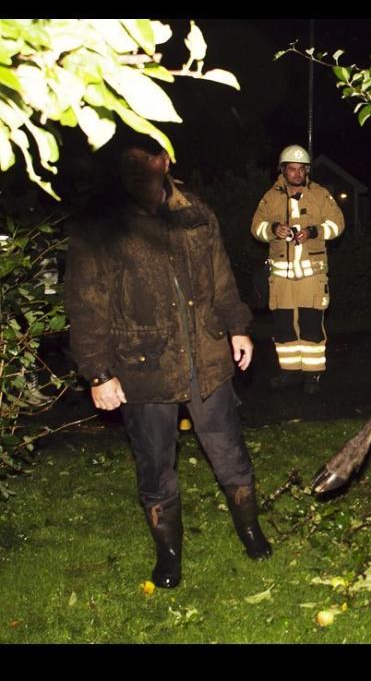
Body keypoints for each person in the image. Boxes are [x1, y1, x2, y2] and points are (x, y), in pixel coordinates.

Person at [64, 133, 271, 589]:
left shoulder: (196, 214)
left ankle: (251, 530)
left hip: (207, 358)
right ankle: (169, 556)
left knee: (229, 454)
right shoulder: (102, 226)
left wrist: (238, 326)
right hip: (142, 367)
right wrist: (98, 372)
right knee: (155, 467)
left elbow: (222, 279)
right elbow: (86, 303)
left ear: (166, 158)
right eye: (130, 158)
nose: (140, 165)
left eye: (149, 155)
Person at [251, 145, 345, 393]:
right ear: (283, 170)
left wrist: (314, 231)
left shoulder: (320, 195)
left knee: (311, 324)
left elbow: (338, 224)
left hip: (312, 276)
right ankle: (289, 372)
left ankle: (312, 376)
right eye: (292, 169)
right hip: (281, 278)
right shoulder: (270, 197)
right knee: (283, 327)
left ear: (307, 170)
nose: (296, 173)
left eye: (301, 169)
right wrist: (273, 230)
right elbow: (256, 228)